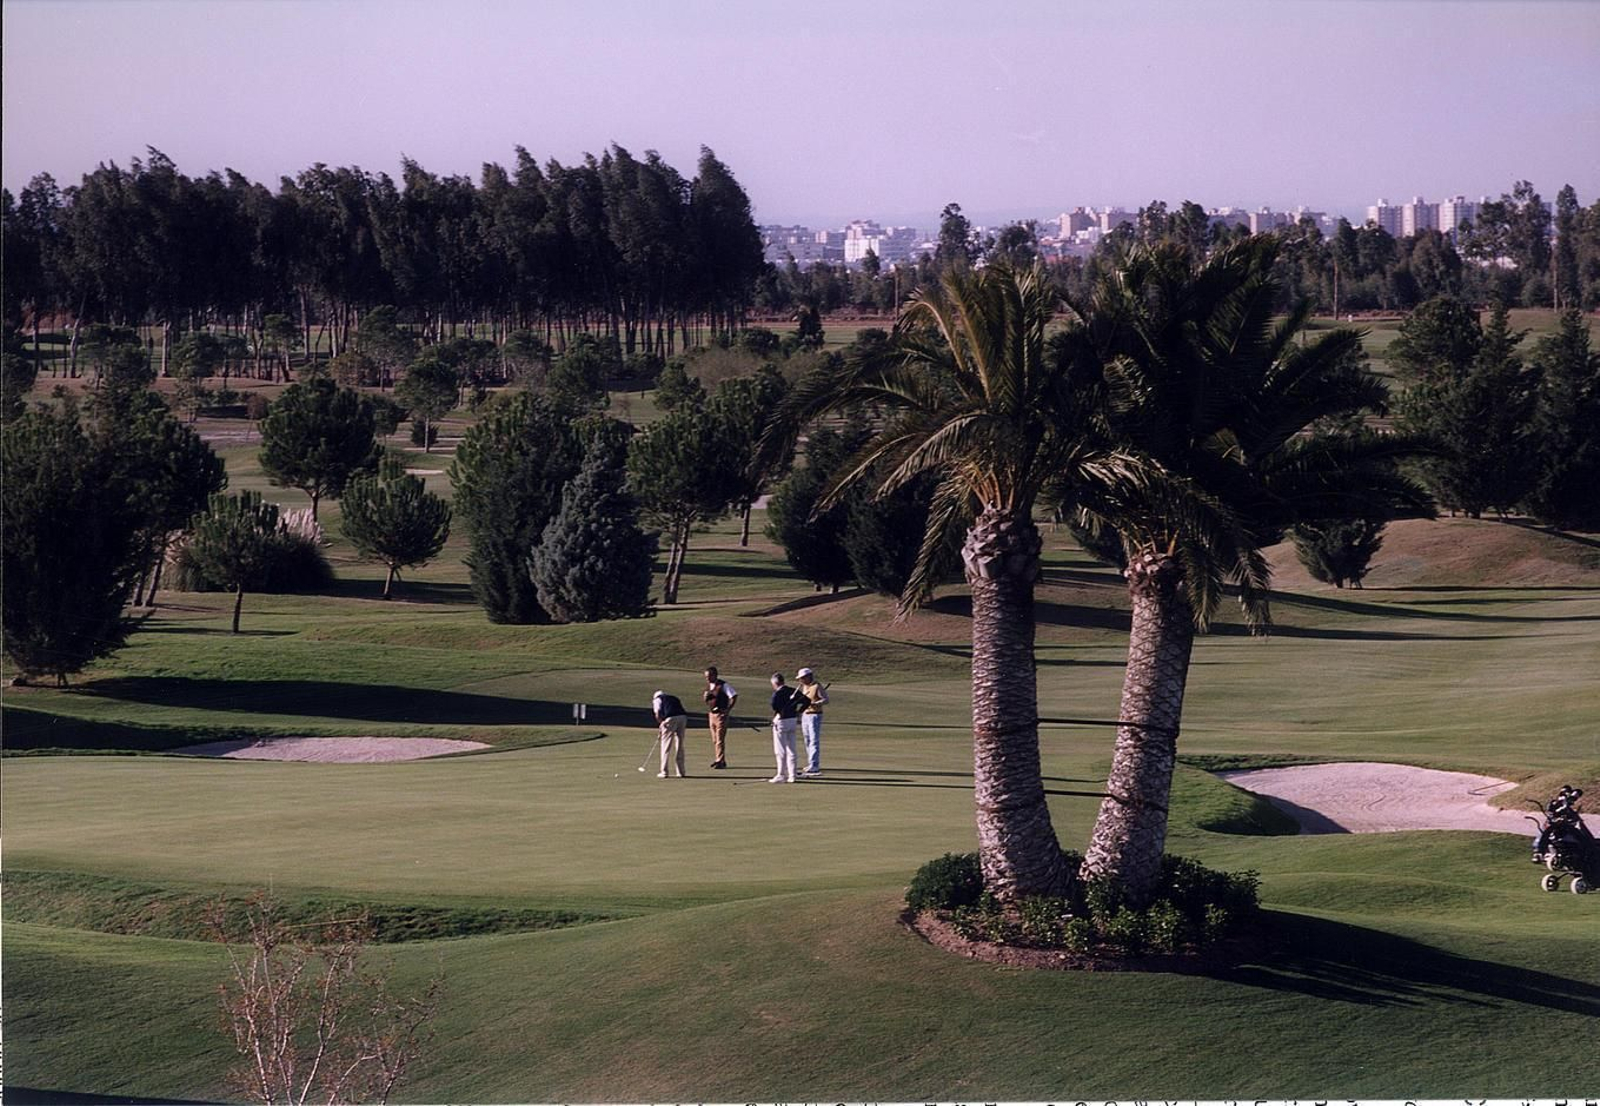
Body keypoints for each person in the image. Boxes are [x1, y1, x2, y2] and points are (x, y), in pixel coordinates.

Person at [767, 672, 802, 783]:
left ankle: (781, 774)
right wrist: (798, 712)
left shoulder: (777, 693)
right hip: (792, 720)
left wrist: (780, 711)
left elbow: (774, 705)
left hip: (781, 721)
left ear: (775, 683)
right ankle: (792, 775)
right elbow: (806, 701)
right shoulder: (792, 691)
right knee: (791, 748)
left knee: (780, 750)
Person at [702, 666, 738, 770]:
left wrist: (728, 709)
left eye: (709, 676)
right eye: (706, 677)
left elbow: (733, 696)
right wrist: (705, 698)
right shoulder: (709, 686)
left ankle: (720, 761)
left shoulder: (723, 685)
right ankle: (720, 759)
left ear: (715, 675)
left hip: (721, 715)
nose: (707, 679)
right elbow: (708, 701)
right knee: (715, 739)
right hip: (711, 714)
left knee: (719, 739)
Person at [795, 666, 828, 778]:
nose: (800, 680)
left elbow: (825, 699)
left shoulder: (817, 686)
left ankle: (814, 765)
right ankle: (811, 763)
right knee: (807, 740)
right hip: (805, 715)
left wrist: (816, 703)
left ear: (808, 677)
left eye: (802, 678)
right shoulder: (804, 687)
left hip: (815, 715)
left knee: (814, 741)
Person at [651, 689, 688, 779]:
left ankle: (664, 772)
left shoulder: (657, 699)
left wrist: (661, 724)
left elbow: (657, 714)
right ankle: (681, 772)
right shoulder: (673, 698)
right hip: (683, 718)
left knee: (666, 745)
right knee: (679, 744)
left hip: (671, 719)